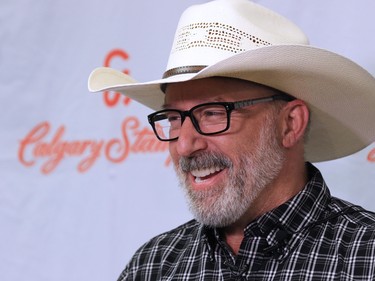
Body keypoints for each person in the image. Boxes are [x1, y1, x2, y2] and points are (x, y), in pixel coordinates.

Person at [89, 0, 375, 280]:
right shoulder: (153, 266)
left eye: (212, 113)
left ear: (290, 124)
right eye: (174, 118)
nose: (185, 145)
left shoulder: (366, 256)